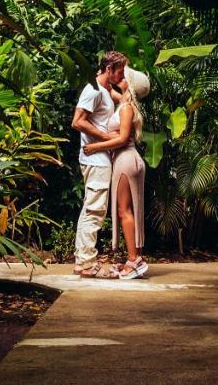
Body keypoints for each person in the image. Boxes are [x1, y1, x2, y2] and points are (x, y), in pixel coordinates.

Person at [83, 66, 150, 279]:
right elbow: (105, 86)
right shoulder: (123, 102)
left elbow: (121, 139)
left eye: (124, 77)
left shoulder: (127, 107)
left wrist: (95, 147)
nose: (120, 77)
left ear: (129, 85)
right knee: (128, 210)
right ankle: (134, 257)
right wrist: (105, 71)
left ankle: (134, 260)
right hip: (127, 159)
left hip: (125, 158)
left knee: (124, 211)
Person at [70, 51, 127, 278]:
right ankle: (85, 263)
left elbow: (125, 99)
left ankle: (82, 260)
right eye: (119, 71)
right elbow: (77, 122)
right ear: (108, 69)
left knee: (93, 209)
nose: (121, 75)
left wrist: (126, 84)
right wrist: (107, 139)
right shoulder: (92, 90)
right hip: (95, 159)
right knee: (94, 211)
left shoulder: (105, 89)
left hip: (100, 158)